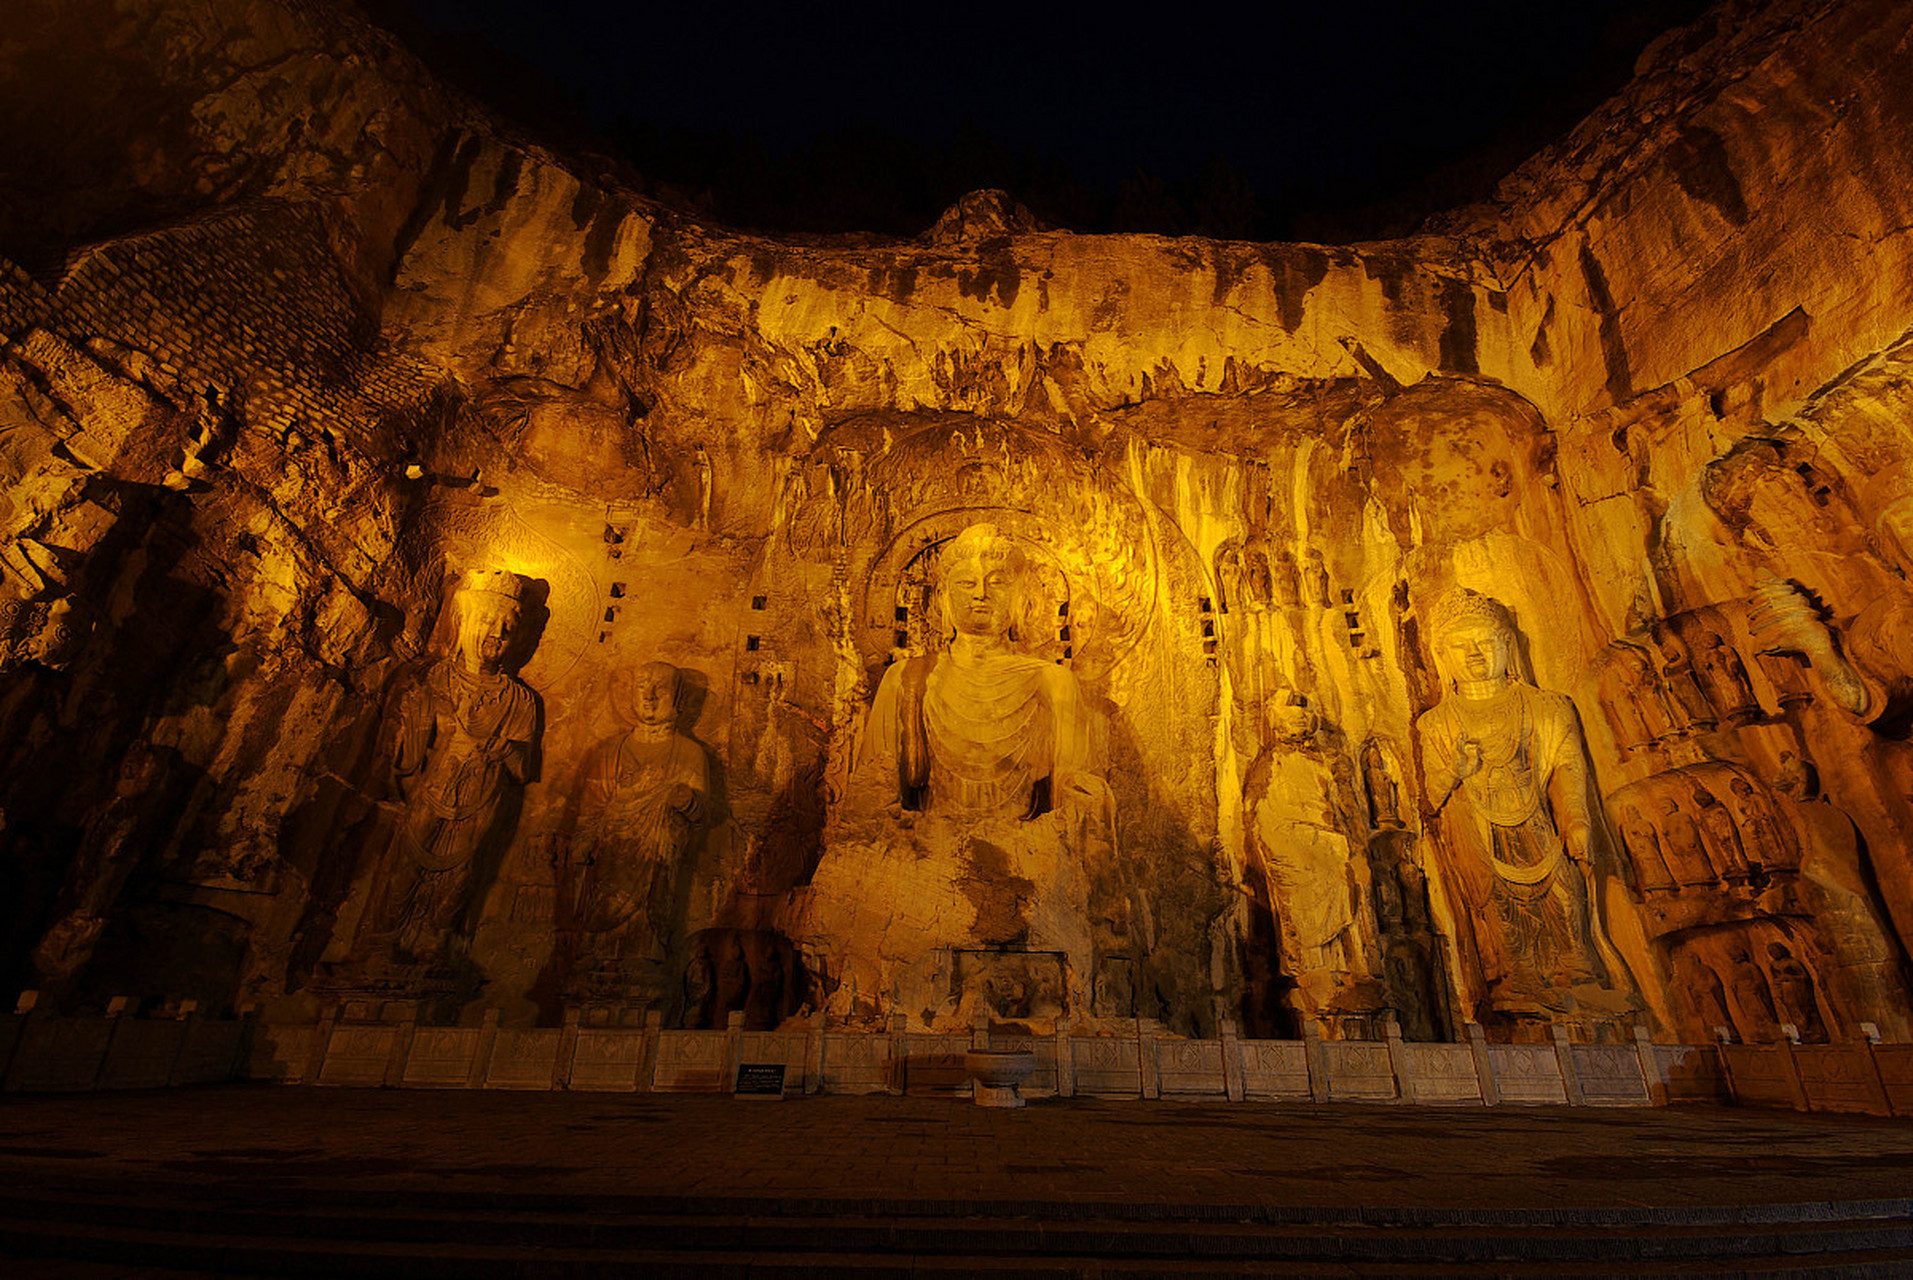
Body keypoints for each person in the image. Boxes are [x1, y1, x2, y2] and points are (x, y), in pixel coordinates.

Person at [1416, 588, 1609, 1015]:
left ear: (1508, 645)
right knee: (1495, 898)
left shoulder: (1546, 707)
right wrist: (1456, 772)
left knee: (1563, 886)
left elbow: (1567, 767)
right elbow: (1429, 799)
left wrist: (1577, 819)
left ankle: (1576, 966)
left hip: (1537, 819)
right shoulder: (1437, 724)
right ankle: (1512, 974)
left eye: (1484, 641)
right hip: (1479, 829)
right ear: (1443, 658)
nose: (1474, 654)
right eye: (1460, 647)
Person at [861, 523, 1100, 819]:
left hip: (1026, 849)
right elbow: (870, 800)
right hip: (925, 851)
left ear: (1020, 596)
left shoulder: (1054, 682)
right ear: (942, 596)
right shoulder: (904, 678)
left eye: (997, 582)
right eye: (966, 583)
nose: (981, 594)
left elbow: (1076, 809)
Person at [384, 570, 537, 965]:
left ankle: (439, 938)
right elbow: (410, 752)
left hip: (483, 795)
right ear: (465, 622)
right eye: (488, 621)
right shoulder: (437, 679)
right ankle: (381, 937)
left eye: (507, 627)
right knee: (404, 863)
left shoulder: (520, 699)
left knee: (464, 871)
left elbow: (521, 770)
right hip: (434, 786)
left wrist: (502, 748)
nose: (497, 633)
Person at [570, 661, 708, 950]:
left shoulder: (689, 753)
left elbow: (700, 814)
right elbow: (591, 811)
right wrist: (580, 849)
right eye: (642, 687)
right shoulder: (611, 752)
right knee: (595, 940)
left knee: (644, 940)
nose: (650, 696)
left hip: (656, 862)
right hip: (608, 862)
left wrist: (686, 801)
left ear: (679, 700)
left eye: (661, 689)